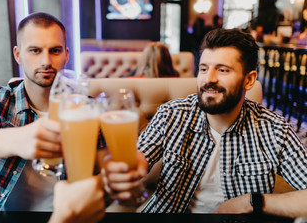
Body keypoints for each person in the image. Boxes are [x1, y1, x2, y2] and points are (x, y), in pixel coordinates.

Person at [103, 28, 307, 213]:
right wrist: (127, 169)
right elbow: (140, 157)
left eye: (222, 70)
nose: (208, 79)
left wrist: (252, 202)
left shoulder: (274, 129)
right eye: (203, 69)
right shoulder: (172, 115)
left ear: (249, 79)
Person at [0, 12, 107, 212]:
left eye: (55, 51)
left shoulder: (87, 110)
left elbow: (103, 175)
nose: (46, 61)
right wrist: (19, 139)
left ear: (66, 54)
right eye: (35, 50)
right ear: (18, 54)